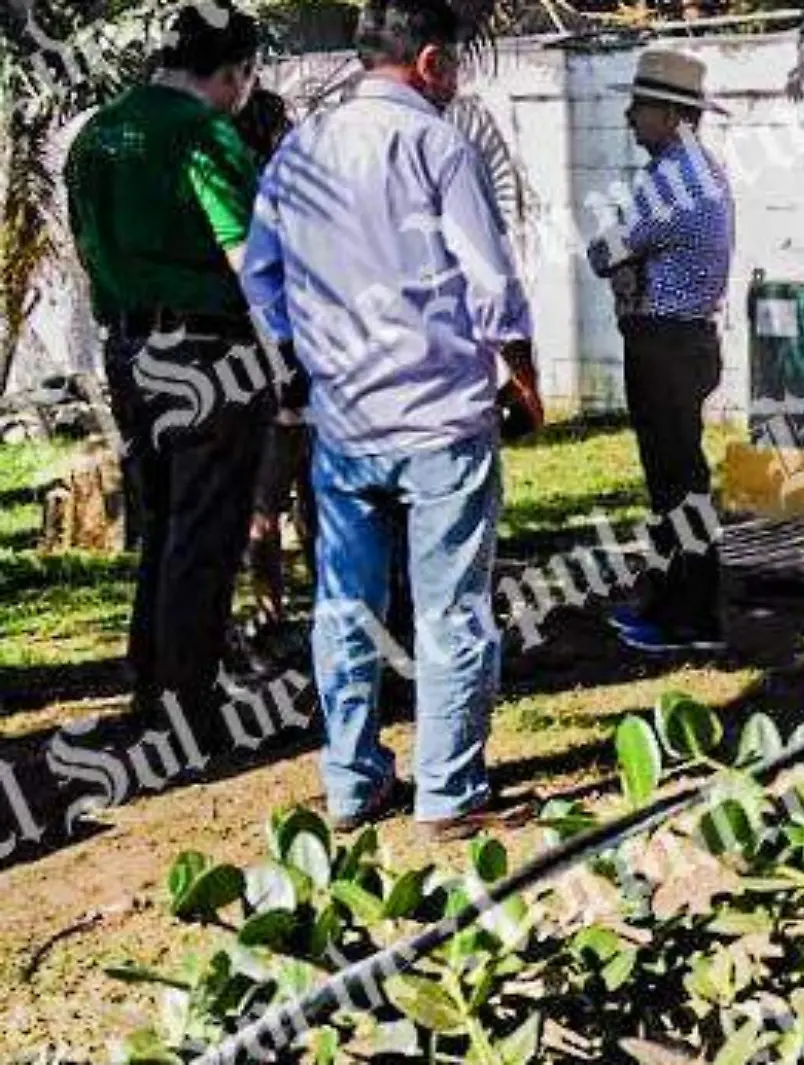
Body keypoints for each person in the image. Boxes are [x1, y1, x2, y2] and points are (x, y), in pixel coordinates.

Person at [241, 0, 543, 839]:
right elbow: (491, 284)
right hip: (441, 418)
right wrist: (523, 378)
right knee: (450, 608)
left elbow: (260, 274)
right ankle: (448, 792)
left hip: (344, 423)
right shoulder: (437, 144)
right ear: (433, 62)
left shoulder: (300, 148)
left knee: (344, 604)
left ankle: (351, 779)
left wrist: (306, 349)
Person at [64, 1, 269, 740]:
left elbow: (88, 249)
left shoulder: (97, 133)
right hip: (208, 352)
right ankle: (190, 704)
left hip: (128, 348)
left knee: (163, 523)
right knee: (207, 525)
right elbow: (250, 257)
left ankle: (151, 681)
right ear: (235, 72)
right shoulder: (200, 133)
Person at [585, 50, 735, 655]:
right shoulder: (704, 169)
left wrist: (624, 264)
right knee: (679, 480)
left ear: (672, 114)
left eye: (640, 106)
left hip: (665, 342)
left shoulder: (671, 180)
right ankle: (672, 601)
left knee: (675, 485)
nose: (628, 117)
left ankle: (688, 617)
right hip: (688, 339)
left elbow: (604, 253)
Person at [231, 88, 316, 657]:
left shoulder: (243, 202)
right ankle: (334, 600)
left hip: (256, 366)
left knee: (264, 502)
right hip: (305, 361)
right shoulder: (297, 198)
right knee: (315, 496)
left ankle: (269, 609)